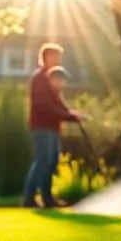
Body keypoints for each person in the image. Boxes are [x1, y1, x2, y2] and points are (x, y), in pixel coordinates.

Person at [22, 44, 86, 208]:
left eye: (59, 57)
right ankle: (29, 198)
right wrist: (68, 116)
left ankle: (47, 198)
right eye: (55, 56)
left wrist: (73, 115)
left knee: (51, 162)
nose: (58, 60)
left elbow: (59, 105)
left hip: (53, 127)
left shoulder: (52, 78)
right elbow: (44, 106)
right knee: (42, 160)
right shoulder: (39, 79)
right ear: (46, 57)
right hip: (42, 126)